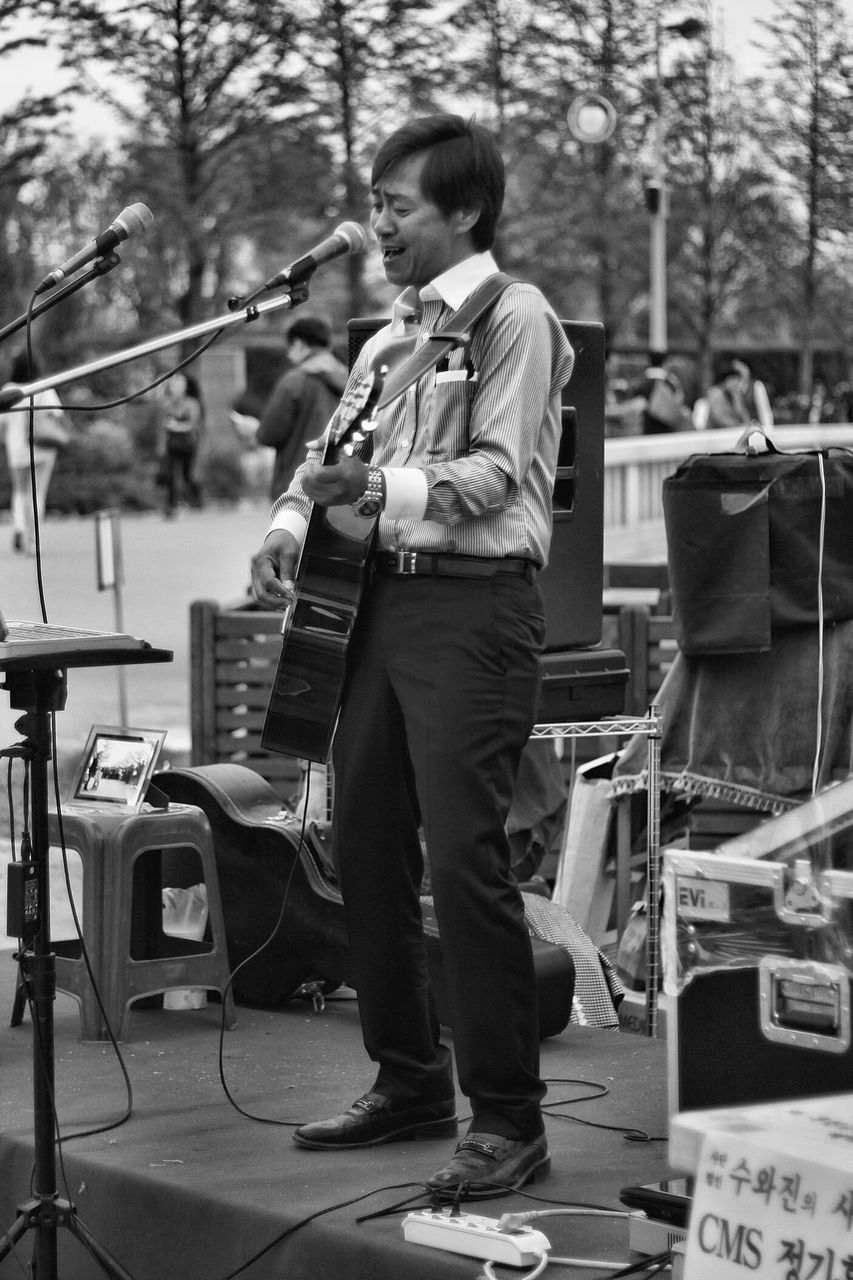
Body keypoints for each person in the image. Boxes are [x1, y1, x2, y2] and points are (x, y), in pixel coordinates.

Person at [250, 113, 573, 1200]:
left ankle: (509, 1117)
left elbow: (495, 470)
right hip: (375, 605)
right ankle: (407, 1077)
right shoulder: (386, 342)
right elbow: (324, 456)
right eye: (376, 204)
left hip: (473, 608)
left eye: (396, 205)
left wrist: (377, 493)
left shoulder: (513, 317)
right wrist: (292, 524)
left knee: (460, 856)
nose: (376, 224)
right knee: (365, 841)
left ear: (464, 209)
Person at [256, 315, 349, 499]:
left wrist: (253, 429)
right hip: (340, 479)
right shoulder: (350, 380)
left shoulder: (294, 381)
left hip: (298, 480)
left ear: (299, 343)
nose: (288, 353)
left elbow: (268, 434)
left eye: (289, 347)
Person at [1, 351, 69, 554]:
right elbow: (57, 415)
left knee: (20, 492)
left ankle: (20, 528)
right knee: (38, 493)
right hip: (43, 449)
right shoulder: (43, 388)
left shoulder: (7, 391)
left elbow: (2, 425)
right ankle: (34, 541)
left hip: (17, 448)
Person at [159, 371, 204, 515]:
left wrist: (176, 426)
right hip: (172, 444)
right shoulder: (166, 404)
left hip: (188, 444)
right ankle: (171, 505)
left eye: (180, 384)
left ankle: (196, 501)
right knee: (170, 474)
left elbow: (194, 425)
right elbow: (162, 427)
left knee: (188, 475)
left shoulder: (191, 404)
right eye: (174, 385)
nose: (176, 388)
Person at [633, 353, 690, 434]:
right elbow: (679, 400)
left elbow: (636, 402)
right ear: (664, 362)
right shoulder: (670, 381)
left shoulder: (644, 381)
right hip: (667, 426)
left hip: (648, 427)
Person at [706, 363, 752, 430]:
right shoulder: (715, 394)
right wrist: (738, 426)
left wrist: (748, 423)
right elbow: (719, 419)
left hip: (732, 432)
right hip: (715, 433)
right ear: (726, 381)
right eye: (733, 382)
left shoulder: (735, 395)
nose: (735, 385)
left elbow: (744, 416)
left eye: (737, 383)